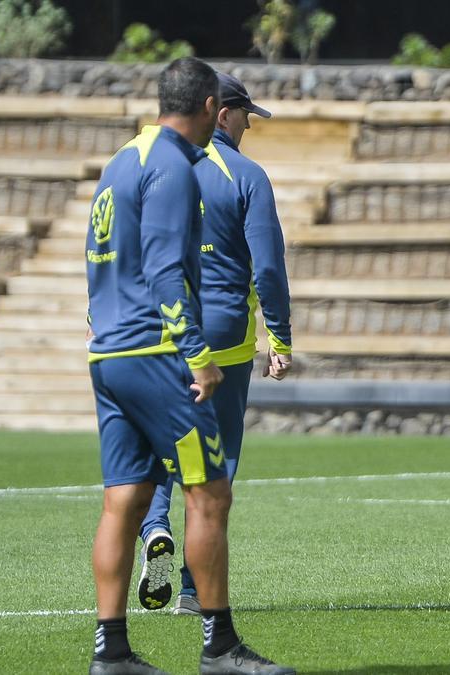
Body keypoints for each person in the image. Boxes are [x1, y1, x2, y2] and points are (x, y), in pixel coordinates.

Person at [85, 56, 293, 675]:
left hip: (110, 354)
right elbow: (166, 270)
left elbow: (98, 253)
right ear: (211, 107)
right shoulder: (177, 166)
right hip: (160, 355)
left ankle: (112, 651)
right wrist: (197, 357)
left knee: (124, 497)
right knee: (210, 493)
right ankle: (220, 646)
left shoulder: (122, 159)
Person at [138, 71, 293, 618]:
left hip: (159, 330)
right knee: (214, 466)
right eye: (246, 117)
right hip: (224, 338)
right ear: (221, 112)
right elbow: (268, 267)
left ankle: (155, 530)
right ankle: (190, 587)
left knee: (159, 448)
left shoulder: (153, 167)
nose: (249, 128)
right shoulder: (247, 175)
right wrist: (281, 335)